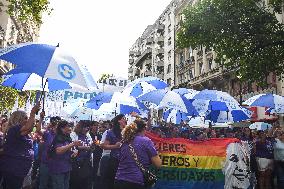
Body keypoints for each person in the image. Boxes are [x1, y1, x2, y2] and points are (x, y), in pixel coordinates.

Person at [0, 103, 41, 189]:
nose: (27, 120)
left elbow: (32, 128)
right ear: (18, 119)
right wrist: (33, 112)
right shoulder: (13, 130)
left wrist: (40, 118)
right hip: (13, 169)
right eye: (25, 118)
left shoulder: (22, 132)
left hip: (20, 169)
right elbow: (29, 127)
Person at [114, 119, 161, 189]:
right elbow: (158, 164)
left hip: (120, 179)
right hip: (136, 181)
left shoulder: (124, 141)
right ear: (144, 128)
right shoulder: (146, 141)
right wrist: (156, 153)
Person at [48, 120, 82, 189]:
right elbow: (58, 150)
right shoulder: (58, 137)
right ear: (62, 128)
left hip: (67, 167)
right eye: (68, 126)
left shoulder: (67, 137)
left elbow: (68, 149)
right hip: (58, 168)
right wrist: (73, 144)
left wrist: (73, 152)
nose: (70, 128)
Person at [100, 114, 127, 189]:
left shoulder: (127, 132)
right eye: (123, 118)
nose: (125, 120)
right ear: (119, 120)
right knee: (113, 182)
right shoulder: (111, 132)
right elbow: (104, 146)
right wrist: (115, 146)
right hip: (115, 160)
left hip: (125, 161)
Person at [38, 116, 61, 189]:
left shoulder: (62, 136)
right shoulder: (48, 133)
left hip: (57, 165)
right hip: (46, 163)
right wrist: (41, 118)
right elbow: (38, 130)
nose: (55, 127)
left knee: (54, 185)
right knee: (43, 184)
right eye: (54, 125)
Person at [70, 120, 93, 189]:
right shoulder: (73, 134)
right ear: (80, 127)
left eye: (88, 127)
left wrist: (92, 147)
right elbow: (72, 146)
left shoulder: (88, 135)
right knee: (76, 183)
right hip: (76, 162)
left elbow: (91, 146)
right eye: (85, 127)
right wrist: (86, 147)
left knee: (85, 182)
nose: (87, 129)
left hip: (86, 162)